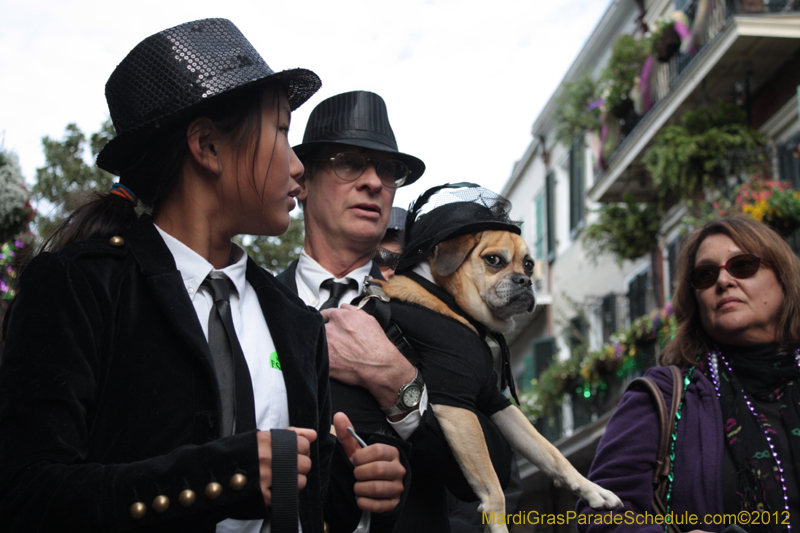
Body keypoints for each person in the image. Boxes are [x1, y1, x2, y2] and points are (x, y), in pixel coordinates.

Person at [0, 19, 407, 533]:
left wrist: (360, 485)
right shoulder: (78, 288)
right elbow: (24, 496)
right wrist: (224, 475)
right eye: (281, 130)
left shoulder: (298, 323)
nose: (298, 166)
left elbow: (309, 506)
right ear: (208, 147)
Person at [277, 91, 516, 532]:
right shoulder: (252, 305)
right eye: (349, 163)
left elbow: (497, 472)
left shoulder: (439, 314)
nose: (373, 182)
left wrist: (397, 381)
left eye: (388, 170)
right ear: (303, 182)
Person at [576, 215, 800, 532]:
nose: (723, 281)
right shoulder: (664, 396)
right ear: (695, 298)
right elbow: (598, 513)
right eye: (706, 275)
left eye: (743, 265)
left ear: (782, 277)